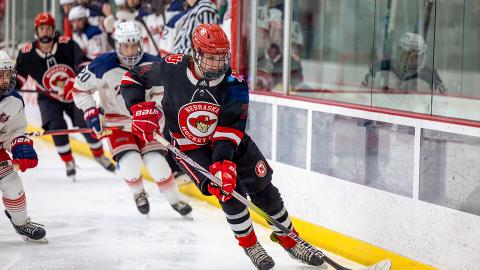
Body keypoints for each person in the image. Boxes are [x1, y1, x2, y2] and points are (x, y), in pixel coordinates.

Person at [120, 24, 325, 270]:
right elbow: (131, 77)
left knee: (265, 190)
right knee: (227, 192)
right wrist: (138, 108)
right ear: (195, 53)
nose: (217, 64)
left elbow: (230, 129)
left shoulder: (235, 82)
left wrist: (223, 162)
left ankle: (290, 240)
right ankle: (249, 243)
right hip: (190, 147)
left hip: (231, 144)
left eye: (221, 58)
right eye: (210, 58)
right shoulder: (172, 67)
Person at [73, 22, 192, 217]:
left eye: (134, 45)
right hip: (117, 123)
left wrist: (155, 114)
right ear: (117, 45)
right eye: (125, 46)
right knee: (130, 163)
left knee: (157, 163)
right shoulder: (101, 65)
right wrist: (90, 111)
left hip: (146, 123)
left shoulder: (154, 64)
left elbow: (164, 95)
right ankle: (138, 193)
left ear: (141, 44)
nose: (130, 51)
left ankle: (175, 200)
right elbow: (79, 90)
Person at [14, 12, 114, 181]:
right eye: (42, 28)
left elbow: (82, 66)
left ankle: (98, 155)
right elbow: (19, 79)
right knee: (56, 127)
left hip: (74, 92)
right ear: (36, 31)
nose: (45, 32)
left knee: (86, 123)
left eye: (48, 28)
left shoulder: (67, 44)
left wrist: (74, 82)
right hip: (48, 97)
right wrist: (8, 88)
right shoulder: (26, 53)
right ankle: (68, 162)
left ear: (54, 30)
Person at [0, 51, 47, 243]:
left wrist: (20, 145)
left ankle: (21, 222)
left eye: (7, 74)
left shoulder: (14, 101)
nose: (5, 80)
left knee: (11, 182)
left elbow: (14, 131)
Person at [362, 32, 447, 94]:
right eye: (408, 54)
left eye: (417, 56)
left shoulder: (432, 77)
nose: (411, 59)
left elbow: (442, 106)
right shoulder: (378, 69)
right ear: (399, 52)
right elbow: (362, 98)